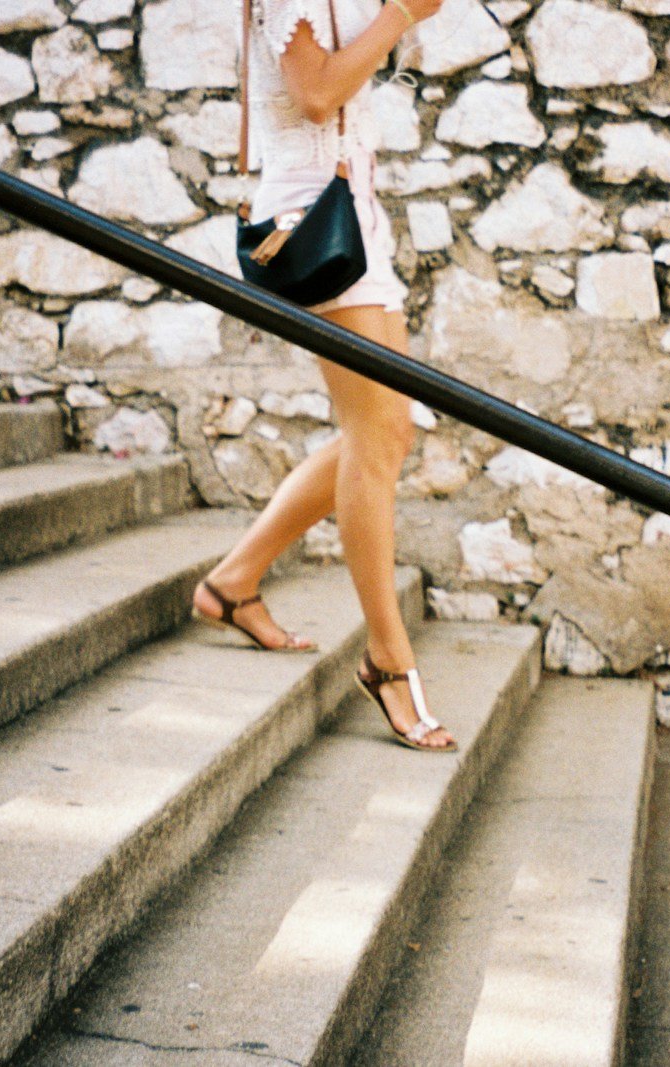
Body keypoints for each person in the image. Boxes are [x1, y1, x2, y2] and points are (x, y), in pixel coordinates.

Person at [192, 0, 457, 752]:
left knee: (383, 430)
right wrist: (401, 14)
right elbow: (314, 94)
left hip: (353, 210)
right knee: (376, 437)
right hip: (313, 219)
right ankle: (387, 657)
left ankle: (232, 582)